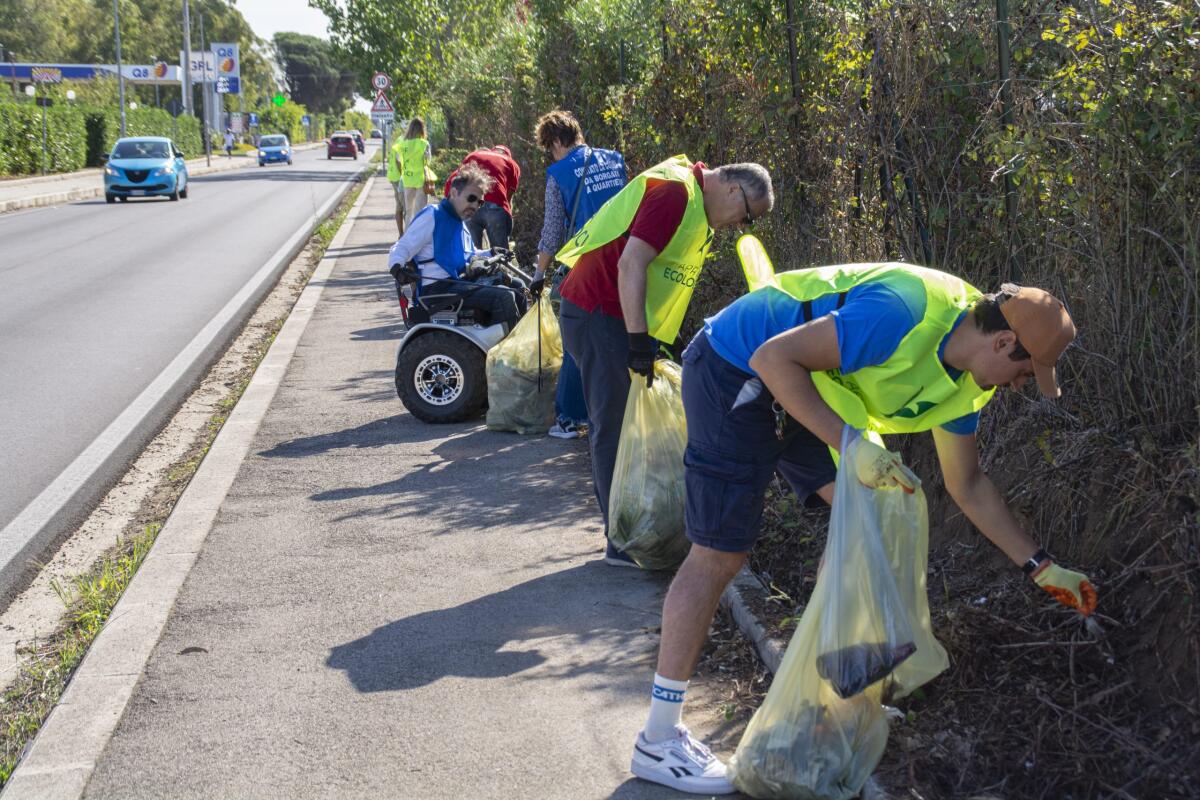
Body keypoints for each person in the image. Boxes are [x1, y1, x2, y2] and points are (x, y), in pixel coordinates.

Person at [628, 264, 1099, 794]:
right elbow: (772, 357)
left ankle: (822, 703)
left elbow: (967, 485)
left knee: (868, 521)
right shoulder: (902, 312)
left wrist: (1039, 566)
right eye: (1024, 372)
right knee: (719, 556)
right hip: (737, 366)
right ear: (1004, 341)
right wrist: (854, 448)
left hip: (806, 388)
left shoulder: (970, 386)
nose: (1020, 388)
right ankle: (659, 740)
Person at [555, 157, 773, 565]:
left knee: (625, 427)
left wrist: (644, 337)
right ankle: (621, 540)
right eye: (746, 216)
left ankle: (637, 526)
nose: (739, 227)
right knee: (614, 427)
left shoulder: (690, 200)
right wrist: (637, 341)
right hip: (598, 311)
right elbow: (630, 263)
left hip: (613, 315)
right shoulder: (676, 193)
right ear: (732, 188)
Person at [533, 109, 628, 439]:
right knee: (617, 336)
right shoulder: (615, 160)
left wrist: (538, 273)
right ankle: (618, 411)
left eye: (551, 148)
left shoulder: (559, 174)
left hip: (586, 268)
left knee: (578, 341)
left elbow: (552, 232)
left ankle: (569, 418)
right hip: (627, 261)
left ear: (558, 141)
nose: (552, 155)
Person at [387, 162, 527, 332]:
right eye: (471, 198)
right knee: (504, 298)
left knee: (518, 287)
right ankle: (504, 354)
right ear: (454, 193)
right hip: (438, 290)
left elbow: (468, 254)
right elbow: (402, 247)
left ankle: (518, 345)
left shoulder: (460, 222)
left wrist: (490, 252)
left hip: (458, 284)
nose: (475, 206)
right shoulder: (433, 215)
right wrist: (397, 267)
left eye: (480, 202)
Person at [443, 146, 521, 250]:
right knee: (500, 255)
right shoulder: (511, 163)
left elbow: (456, 182)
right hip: (496, 207)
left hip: (470, 205)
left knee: (471, 253)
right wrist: (507, 223)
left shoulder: (473, 155)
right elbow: (508, 199)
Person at [399, 119, 432, 226]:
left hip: (407, 180)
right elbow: (428, 161)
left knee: (408, 211)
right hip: (421, 181)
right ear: (422, 130)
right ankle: (418, 236)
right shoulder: (424, 144)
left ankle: (408, 235)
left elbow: (399, 160)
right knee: (420, 211)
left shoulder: (403, 144)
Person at [387, 132, 407, 236]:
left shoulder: (400, 139)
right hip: (399, 178)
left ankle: (401, 234)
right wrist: (404, 176)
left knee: (400, 206)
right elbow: (398, 161)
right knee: (405, 207)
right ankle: (403, 235)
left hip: (394, 176)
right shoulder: (404, 141)